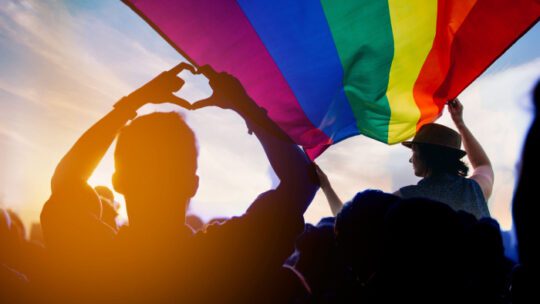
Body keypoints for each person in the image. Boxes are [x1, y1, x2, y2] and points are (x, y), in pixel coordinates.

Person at [39, 63, 318, 302]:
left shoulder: (97, 259)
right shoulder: (225, 258)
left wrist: (133, 102)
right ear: (193, 184)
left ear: (118, 180)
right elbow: (301, 181)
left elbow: (66, 181)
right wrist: (244, 105)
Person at [396, 98, 493, 219]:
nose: (411, 160)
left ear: (425, 156)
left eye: (413, 152)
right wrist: (460, 123)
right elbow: (483, 165)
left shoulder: (404, 199)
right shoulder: (474, 190)